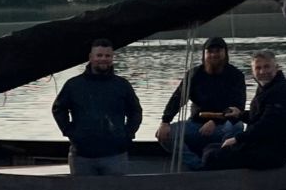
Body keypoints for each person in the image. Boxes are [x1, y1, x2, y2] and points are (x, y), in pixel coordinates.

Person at [52, 39, 142, 176]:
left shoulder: (122, 85)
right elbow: (58, 109)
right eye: (99, 55)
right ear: (90, 57)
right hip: (82, 155)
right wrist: (69, 132)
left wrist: (128, 135)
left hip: (115, 154)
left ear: (112, 58)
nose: (103, 59)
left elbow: (135, 111)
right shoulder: (74, 85)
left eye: (107, 56)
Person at [154, 36, 247, 168]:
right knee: (164, 134)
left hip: (223, 126)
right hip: (196, 125)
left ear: (225, 53)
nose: (214, 55)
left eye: (218, 51)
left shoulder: (236, 75)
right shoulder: (194, 74)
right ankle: (198, 166)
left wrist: (215, 121)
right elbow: (178, 98)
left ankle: (222, 162)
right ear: (204, 54)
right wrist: (165, 121)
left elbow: (238, 106)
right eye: (210, 51)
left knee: (237, 125)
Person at [204, 48, 286, 170]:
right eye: (258, 68)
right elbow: (260, 116)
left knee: (212, 157)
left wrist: (237, 139)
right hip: (258, 144)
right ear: (253, 71)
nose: (263, 71)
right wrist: (240, 115)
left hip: (274, 151)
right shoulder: (265, 86)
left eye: (267, 66)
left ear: (276, 67)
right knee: (209, 148)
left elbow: (267, 125)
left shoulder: (281, 91)